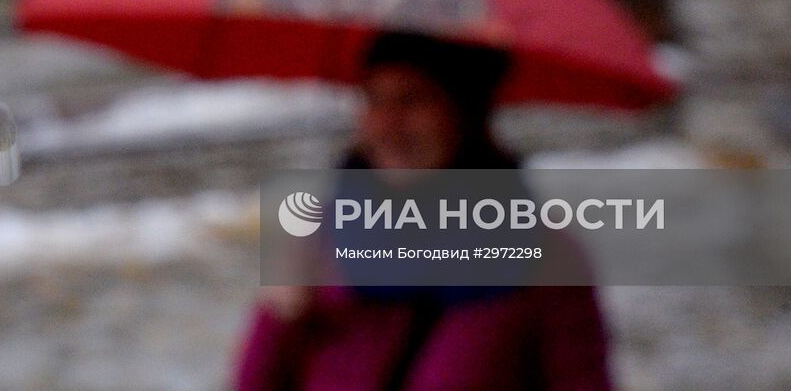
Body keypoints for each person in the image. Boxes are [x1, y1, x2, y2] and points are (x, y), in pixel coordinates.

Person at [235, 32, 613, 390]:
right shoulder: (320, 240)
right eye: (373, 100)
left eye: (413, 100)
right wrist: (279, 318)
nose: (387, 125)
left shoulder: (545, 260)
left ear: (465, 112)